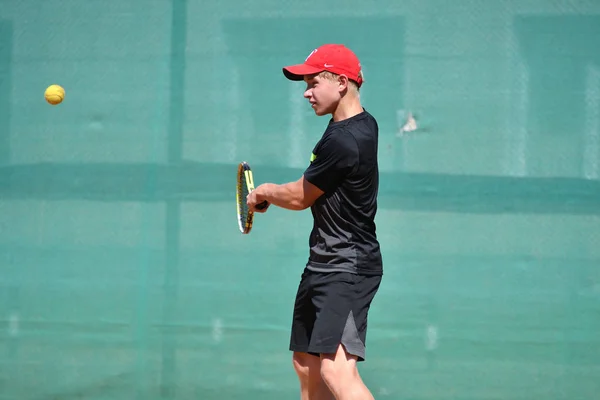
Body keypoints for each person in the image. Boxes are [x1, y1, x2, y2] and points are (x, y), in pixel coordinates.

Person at [246, 43, 383, 400]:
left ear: (340, 82)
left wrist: (264, 192)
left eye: (312, 82)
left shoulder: (345, 139)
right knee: (306, 364)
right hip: (323, 262)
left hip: (347, 266)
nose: (306, 93)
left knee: (336, 371)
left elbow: (299, 196)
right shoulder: (358, 123)